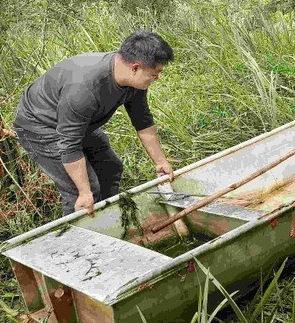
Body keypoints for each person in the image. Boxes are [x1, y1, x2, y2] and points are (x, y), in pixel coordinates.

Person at [13, 30, 176, 217]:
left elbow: (143, 122)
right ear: (135, 67)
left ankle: (109, 221)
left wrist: (161, 162)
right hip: (39, 126)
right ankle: (78, 241)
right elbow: (69, 145)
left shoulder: (135, 82)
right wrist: (84, 192)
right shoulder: (85, 89)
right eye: (155, 74)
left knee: (110, 168)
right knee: (81, 191)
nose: (158, 78)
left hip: (74, 123)